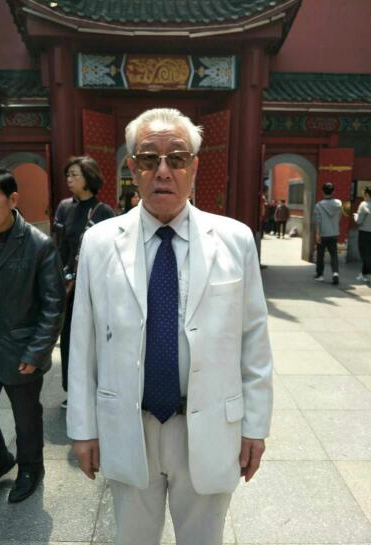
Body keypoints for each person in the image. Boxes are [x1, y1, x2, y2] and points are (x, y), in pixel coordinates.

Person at [66, 108, 273, 545]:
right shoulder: (100, 242)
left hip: (210, 422)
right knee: (133, 537)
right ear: (132, 167)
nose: (163, 171)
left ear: (194, 167)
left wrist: (255, 427)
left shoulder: (234, 239)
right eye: (149, 159)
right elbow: (82, 343)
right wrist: (82, 429)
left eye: (177, 158)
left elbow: (253, 340)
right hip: (129, 422)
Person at [0, 166, 66, 505]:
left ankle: (31, 469)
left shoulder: (38, 245)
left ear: (13, 199)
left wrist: (36, 352)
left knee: (26, 418)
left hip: (21, 347)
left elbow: (53, 305)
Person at [58, 156, 115, 408]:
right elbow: (63, 247)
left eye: (74, 175)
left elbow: (111, 253)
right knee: (70, 337)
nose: (69, 180)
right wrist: (60, 275)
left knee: (95, 337)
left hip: (95, 286)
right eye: (67, 175)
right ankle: (73, 390)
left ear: (88, 178)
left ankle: (99, 388)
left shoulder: (104, 212)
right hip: (71, 287)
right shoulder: (66, 208)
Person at [313, 181, 342, 285]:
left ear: (322, 191)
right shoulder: (338, 203)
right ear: (333, 191)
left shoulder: (318, 205)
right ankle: (335, 273)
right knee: (334, 254)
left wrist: (317, 234)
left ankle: (320, 275)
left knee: (320, 255)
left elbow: (318, 221)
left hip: (323, 233)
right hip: (334, 232)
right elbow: (339, 217)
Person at [353, 186, 371, 282]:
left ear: (367, 194)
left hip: (365, 233)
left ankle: (368, 274)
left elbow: (359, 221)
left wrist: (355, 216)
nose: (362, 194)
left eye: (363, 192)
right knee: (368, 255)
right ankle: (364, 274)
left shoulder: (363, 204)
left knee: (365, 255)